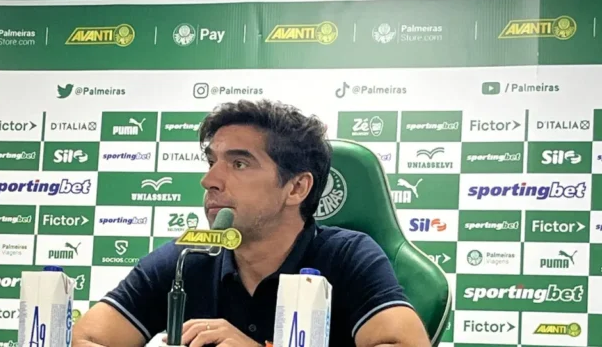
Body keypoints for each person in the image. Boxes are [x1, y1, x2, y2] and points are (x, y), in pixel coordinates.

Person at [73, 99, 431, 347]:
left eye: (239, 164)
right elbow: (87, 338)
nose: (209, 180)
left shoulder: (348, 256)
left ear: (296, 187)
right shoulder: (187, 259)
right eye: (211, 162)